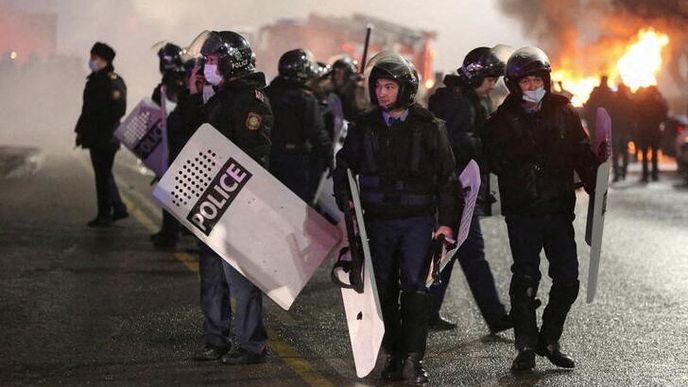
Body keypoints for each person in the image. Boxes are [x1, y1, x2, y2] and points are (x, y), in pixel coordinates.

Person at [333, 51, 460, 384]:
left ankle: (413, 359)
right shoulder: (364, 126)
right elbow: (344, 167)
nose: (381, 93)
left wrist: (446, 223)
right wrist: (347, 205)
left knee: (416, 290)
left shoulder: (430, 127)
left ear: (406, 88)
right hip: (377, 220)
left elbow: (449, 179)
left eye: (389, 86)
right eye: (378, 86)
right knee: (384, 291)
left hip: (418, 221)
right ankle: (393, 354)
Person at [483, 47, 602, 371]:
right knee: (525, 279)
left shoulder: (564, 111)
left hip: (558, 208)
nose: (533, 85)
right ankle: (525, 347)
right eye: (526, 81)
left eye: (537, 79)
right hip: (522, 211)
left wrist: (596, 177)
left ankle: (549, 338)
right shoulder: (501, 120)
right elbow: (489, 159)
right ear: (514, 85)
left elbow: (580, 151)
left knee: (568, 280)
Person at [177, 30, 272, 365]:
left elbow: (252, 154)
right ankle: (215, 339)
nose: (208, 67)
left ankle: (251, 344)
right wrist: (191, 96)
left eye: (214, 60)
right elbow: (190, 136)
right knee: (212, 274)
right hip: (211, 198)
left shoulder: (250, 100)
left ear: (233, 61)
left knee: (240, 277)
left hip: (237, 200)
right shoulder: (218, 96)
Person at [427, 46, 513, 333]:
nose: (491, 86)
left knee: (450, 252)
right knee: (472, 253)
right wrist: (484, 142)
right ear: (476, 75)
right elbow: (452, 143)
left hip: (457, 190)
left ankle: (428, 312)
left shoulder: (461, 99)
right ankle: (497, 317)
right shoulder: (459, 103)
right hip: (457, 191)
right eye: (489, 80)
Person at [265, 49, 333, 201]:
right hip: (293, 163)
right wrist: (329, 157)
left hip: (267, 157)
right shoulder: (306, 99)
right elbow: (317, 133)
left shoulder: (268, 92)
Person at [75, 42, 128, 227]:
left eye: (94, 58)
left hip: (106, 136)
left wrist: (98, 124)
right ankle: (110, 210)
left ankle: (112, 210)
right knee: (103, 173)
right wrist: (81, 130)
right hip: (96, 135)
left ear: (104, 60)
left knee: (103, 173)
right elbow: (87, 109)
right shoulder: (95, 80)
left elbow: (119, 109)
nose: (91, 61)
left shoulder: (112, 80)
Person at [149, 42, 187, 249]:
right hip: (181, 143)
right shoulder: (186, 81)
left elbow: (166, 116)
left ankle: (170, 234)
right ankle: (173, 230)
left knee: (170, 190)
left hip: (174, 144)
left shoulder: (170, 86)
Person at [635, 85, 668, 182]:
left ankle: (645, 175)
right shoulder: (658, 103)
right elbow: (665, 114)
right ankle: (654, 174)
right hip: (654, 131)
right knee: (654, 154)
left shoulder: (641, 103)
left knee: (645, 154)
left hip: (644, 132)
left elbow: (636, 116)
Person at [607, 82, 635, 181]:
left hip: (616, 130)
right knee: (625, 152)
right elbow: (633, 116)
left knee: (616, 153)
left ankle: (617, 174)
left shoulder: (613, 101)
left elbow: (609, 115)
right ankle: (624, 172)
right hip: (625, 130)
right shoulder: (629, 101)